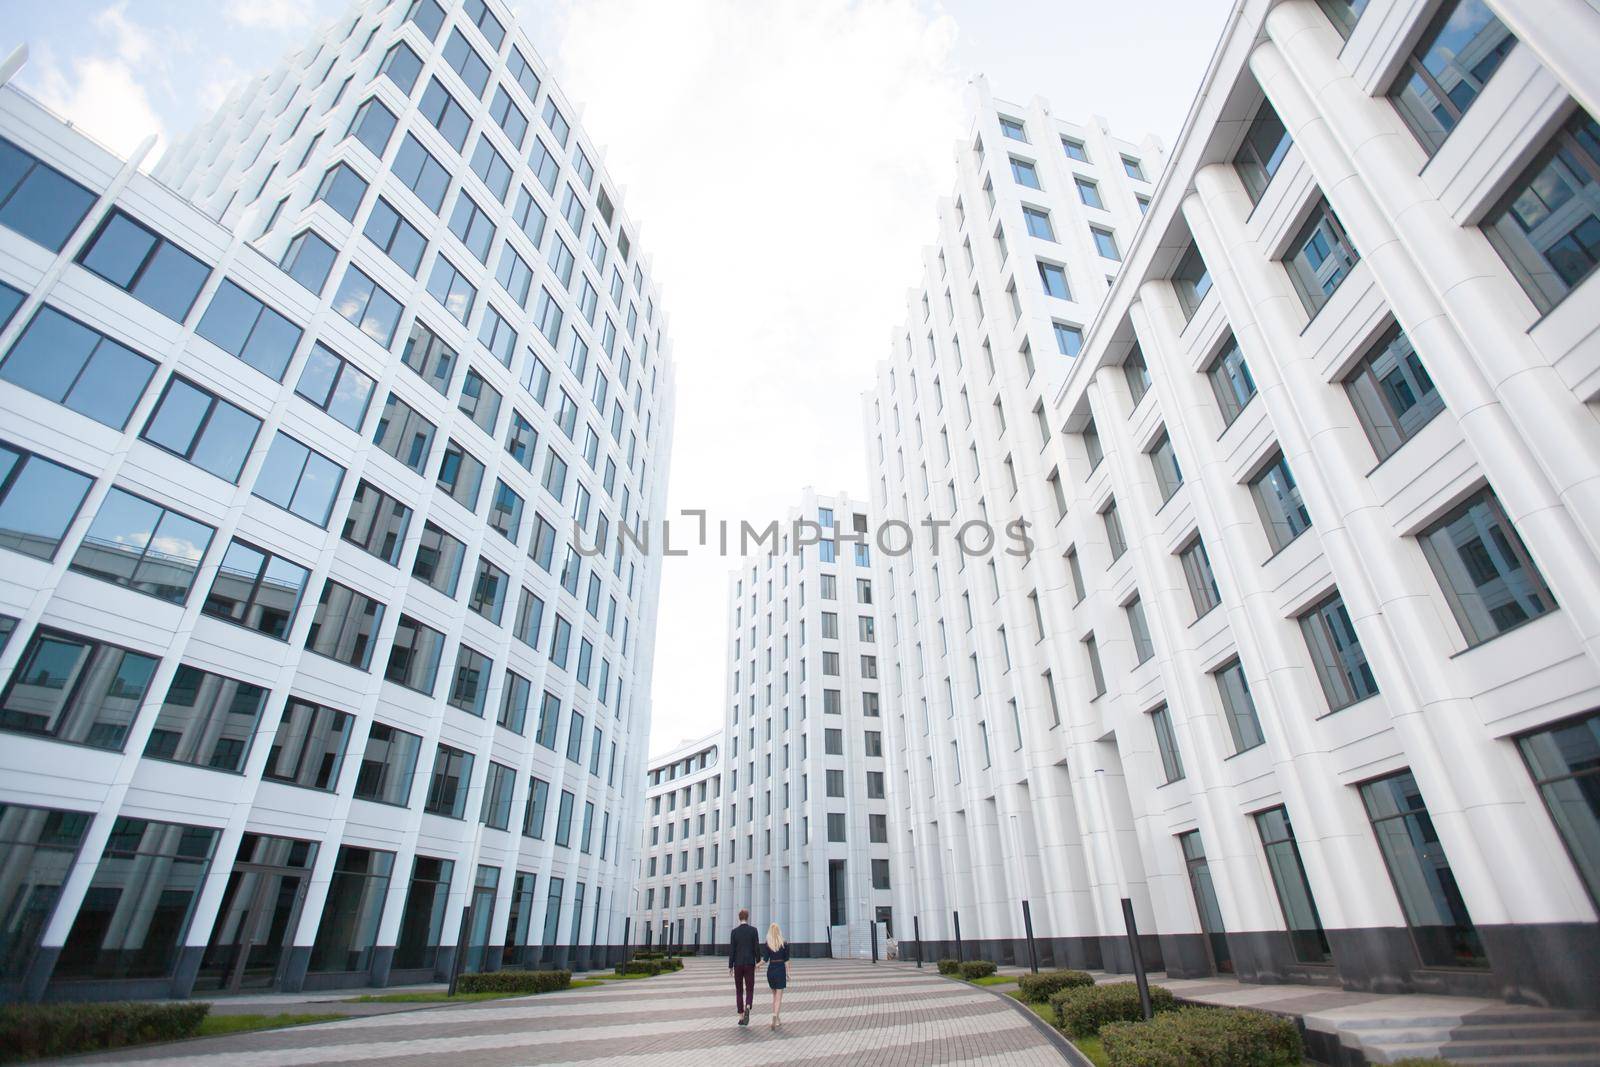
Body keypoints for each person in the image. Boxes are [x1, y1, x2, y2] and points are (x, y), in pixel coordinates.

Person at [728, 908, 760, 1026]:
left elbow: (732, 950)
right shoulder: (753, 931)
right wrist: (758, 961)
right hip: (750, 964)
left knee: (739, 990)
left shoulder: (734, 932)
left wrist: (730, 965)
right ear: (747, 917)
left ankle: (741, 1016)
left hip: (738, 964)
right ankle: (748, 1005)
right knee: (750, 987)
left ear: (739, 918)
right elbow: (756, 947)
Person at [761, 922, 790, 1029]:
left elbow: (765, 959)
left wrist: (757, 965)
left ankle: (777, 1018)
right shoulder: (784, 944)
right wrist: (788, 973)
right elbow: (787, 960)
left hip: (771, 970)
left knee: (774, 996)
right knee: (778, 997)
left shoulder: (768, 944)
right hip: (780, 969)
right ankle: (775, 1015)